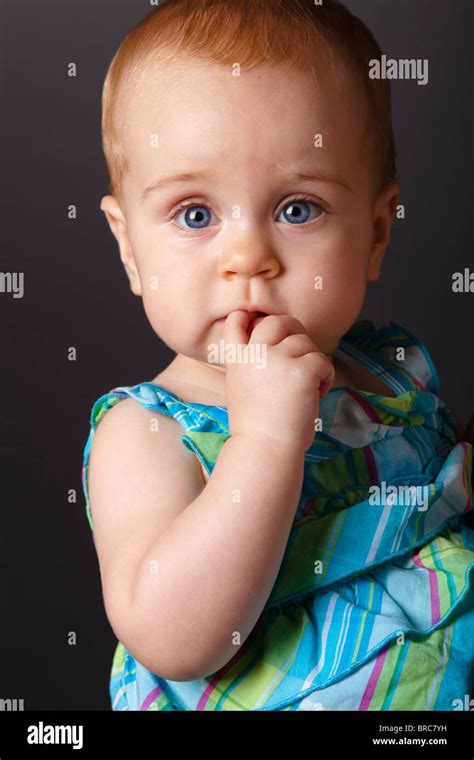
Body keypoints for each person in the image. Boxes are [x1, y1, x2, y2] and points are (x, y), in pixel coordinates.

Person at [81, 0, 474, 710]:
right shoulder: (146, 436)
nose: (248, 258)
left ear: (376, 232)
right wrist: (264, 441)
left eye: (298, 209)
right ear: (130, 248)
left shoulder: (388, 375)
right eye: (195, 215)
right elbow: (177, 639)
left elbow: (434, 517)